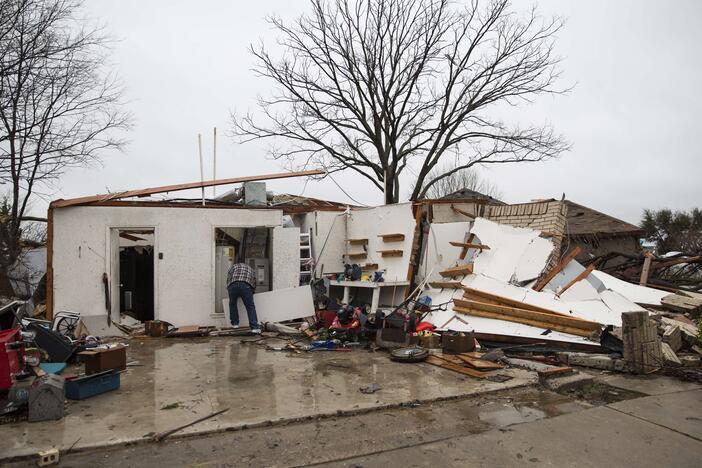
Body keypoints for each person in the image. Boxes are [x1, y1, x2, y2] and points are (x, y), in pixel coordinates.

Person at [226, 259, 261, 334]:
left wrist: (230, 289)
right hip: (245, 285)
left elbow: (228, 278)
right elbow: (254, 281)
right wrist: (252, 292)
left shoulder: (233, 267)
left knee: (232, 304)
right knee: (250, 306)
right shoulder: (251, 269)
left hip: (233, 284)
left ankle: (235, 324)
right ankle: (254, 328)